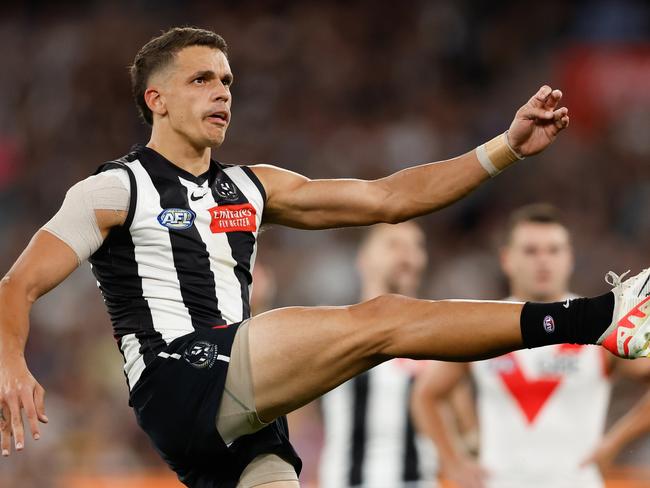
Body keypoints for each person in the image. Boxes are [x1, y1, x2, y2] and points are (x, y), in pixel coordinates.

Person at [0, 27, 647, 488]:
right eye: (201, 79)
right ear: (156, 99)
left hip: (241, 420)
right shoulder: (115, 189)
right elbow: (18, 285)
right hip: (183, 376)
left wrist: (504, 147)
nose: (222, 92)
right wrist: (9, 360)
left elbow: (388, 197)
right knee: (385, 319)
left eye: (226, 80)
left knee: (379, 327)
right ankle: (596, 318)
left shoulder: (252, 186)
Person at [411, 204, 650, 488]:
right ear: (506, 259)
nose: (543, 261)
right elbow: (426, 395)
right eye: (530, 251)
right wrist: (453, 462)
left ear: (569, 258)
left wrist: (615, 441)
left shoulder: (600, 327)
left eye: (553, 250)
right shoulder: (483, 326)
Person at [319, 221, 439, 488]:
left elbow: (457, 418)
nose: (407, 255)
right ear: (363, 259)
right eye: (393, 244)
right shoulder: (330, 331)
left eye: (416, 246)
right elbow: (294, 416)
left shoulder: (439, 337)